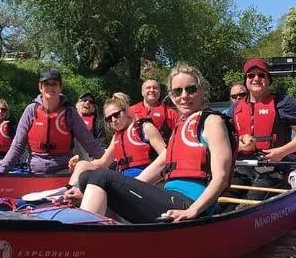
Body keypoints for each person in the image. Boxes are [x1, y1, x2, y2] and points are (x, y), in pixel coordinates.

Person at [65, 64, 234, 223]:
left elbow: (221, 178)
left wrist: (193, 210)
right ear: (172, 96)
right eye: (177, 91)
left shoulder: (212, 122)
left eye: (190, 89)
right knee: (87, 177)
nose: (184, 96)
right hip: (169, 197)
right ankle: (94, 231)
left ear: (201, 90)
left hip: (192, 203)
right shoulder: (180, 126)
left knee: (101, 176)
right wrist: (118, 188)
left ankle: (84, 237)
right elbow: (158, 167)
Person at [0, 68, 104, 174]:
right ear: (40, 87)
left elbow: (91, 144)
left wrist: (108, 163)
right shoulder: (31, 110)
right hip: (34, 171)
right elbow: (17, 146)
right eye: (46, 84)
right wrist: (0, 172)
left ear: (60, 87)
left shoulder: (70, 113)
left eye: (54, 84)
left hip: (63, 171)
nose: (50, 87)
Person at [68, 93, 168, 181]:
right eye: (109, 119)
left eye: (116, 115)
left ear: (126, 110)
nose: (113, 120)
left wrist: (142, 178)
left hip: (145, 180)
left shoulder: (145, 127)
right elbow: (103, 162)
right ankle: (68, 192)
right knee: (82, 165)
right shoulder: (117, 136)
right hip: (124, 180)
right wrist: (81, 165)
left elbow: (166, 157)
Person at [232, 58, 296, 162]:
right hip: (244, 164)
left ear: (268, 79)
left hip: (279, 163)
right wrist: (238, 146)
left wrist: (282, 152)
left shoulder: (283, 103)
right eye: (251, 76)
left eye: (261, 75)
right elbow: (221, 137)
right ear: (246, 81)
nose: (256, 79)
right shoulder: (235, 107)